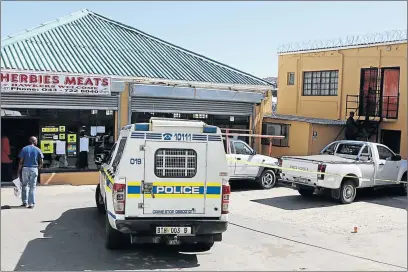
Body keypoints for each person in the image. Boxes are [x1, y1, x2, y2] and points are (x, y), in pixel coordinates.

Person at [17, 136, 43, 208]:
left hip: (25, 169)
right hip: (34, 169)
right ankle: (31, 203)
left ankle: (24, 202)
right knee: (32, 186)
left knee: (24, 185)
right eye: (36, 140)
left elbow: (21, 162)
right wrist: (38, 168)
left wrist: (18, 171)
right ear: (34, 141)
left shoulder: (24, 149)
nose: (37, 142)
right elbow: (41, 162)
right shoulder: (38, 149)